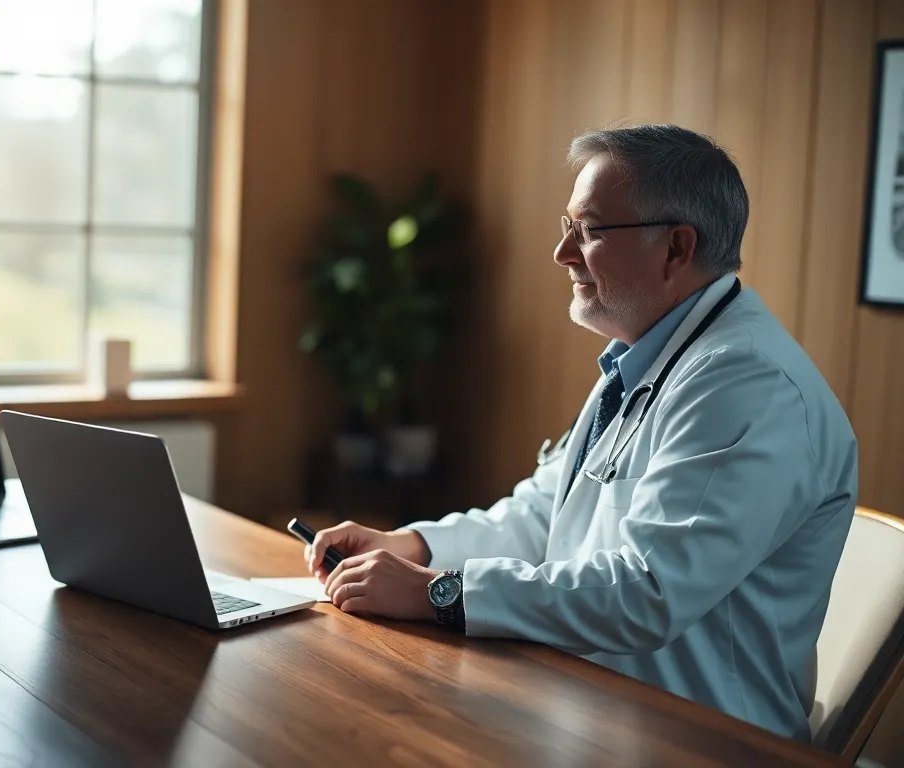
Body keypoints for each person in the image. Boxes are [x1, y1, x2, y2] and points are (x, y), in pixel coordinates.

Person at [304, 124, 858, 741]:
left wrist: (439, 594)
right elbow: (545, 517)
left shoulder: (747, 382)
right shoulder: (648, 357)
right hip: (586, 710)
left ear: (676, 247)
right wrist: (413, 548)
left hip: (699, 741)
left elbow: (647, 590)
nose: (563, 254)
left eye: (588, 231)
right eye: (567, 227)